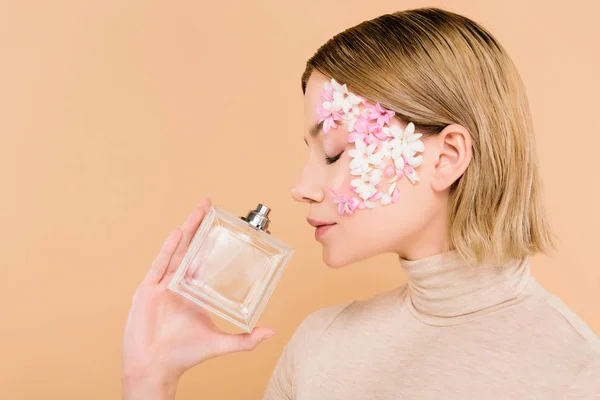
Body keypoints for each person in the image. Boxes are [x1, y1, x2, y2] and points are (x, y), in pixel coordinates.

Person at [121, 7, 600, 399]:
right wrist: (150, 379)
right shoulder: (321, 347)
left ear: (447, 156)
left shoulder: (574, 373)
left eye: (333, 151)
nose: (302, 186)